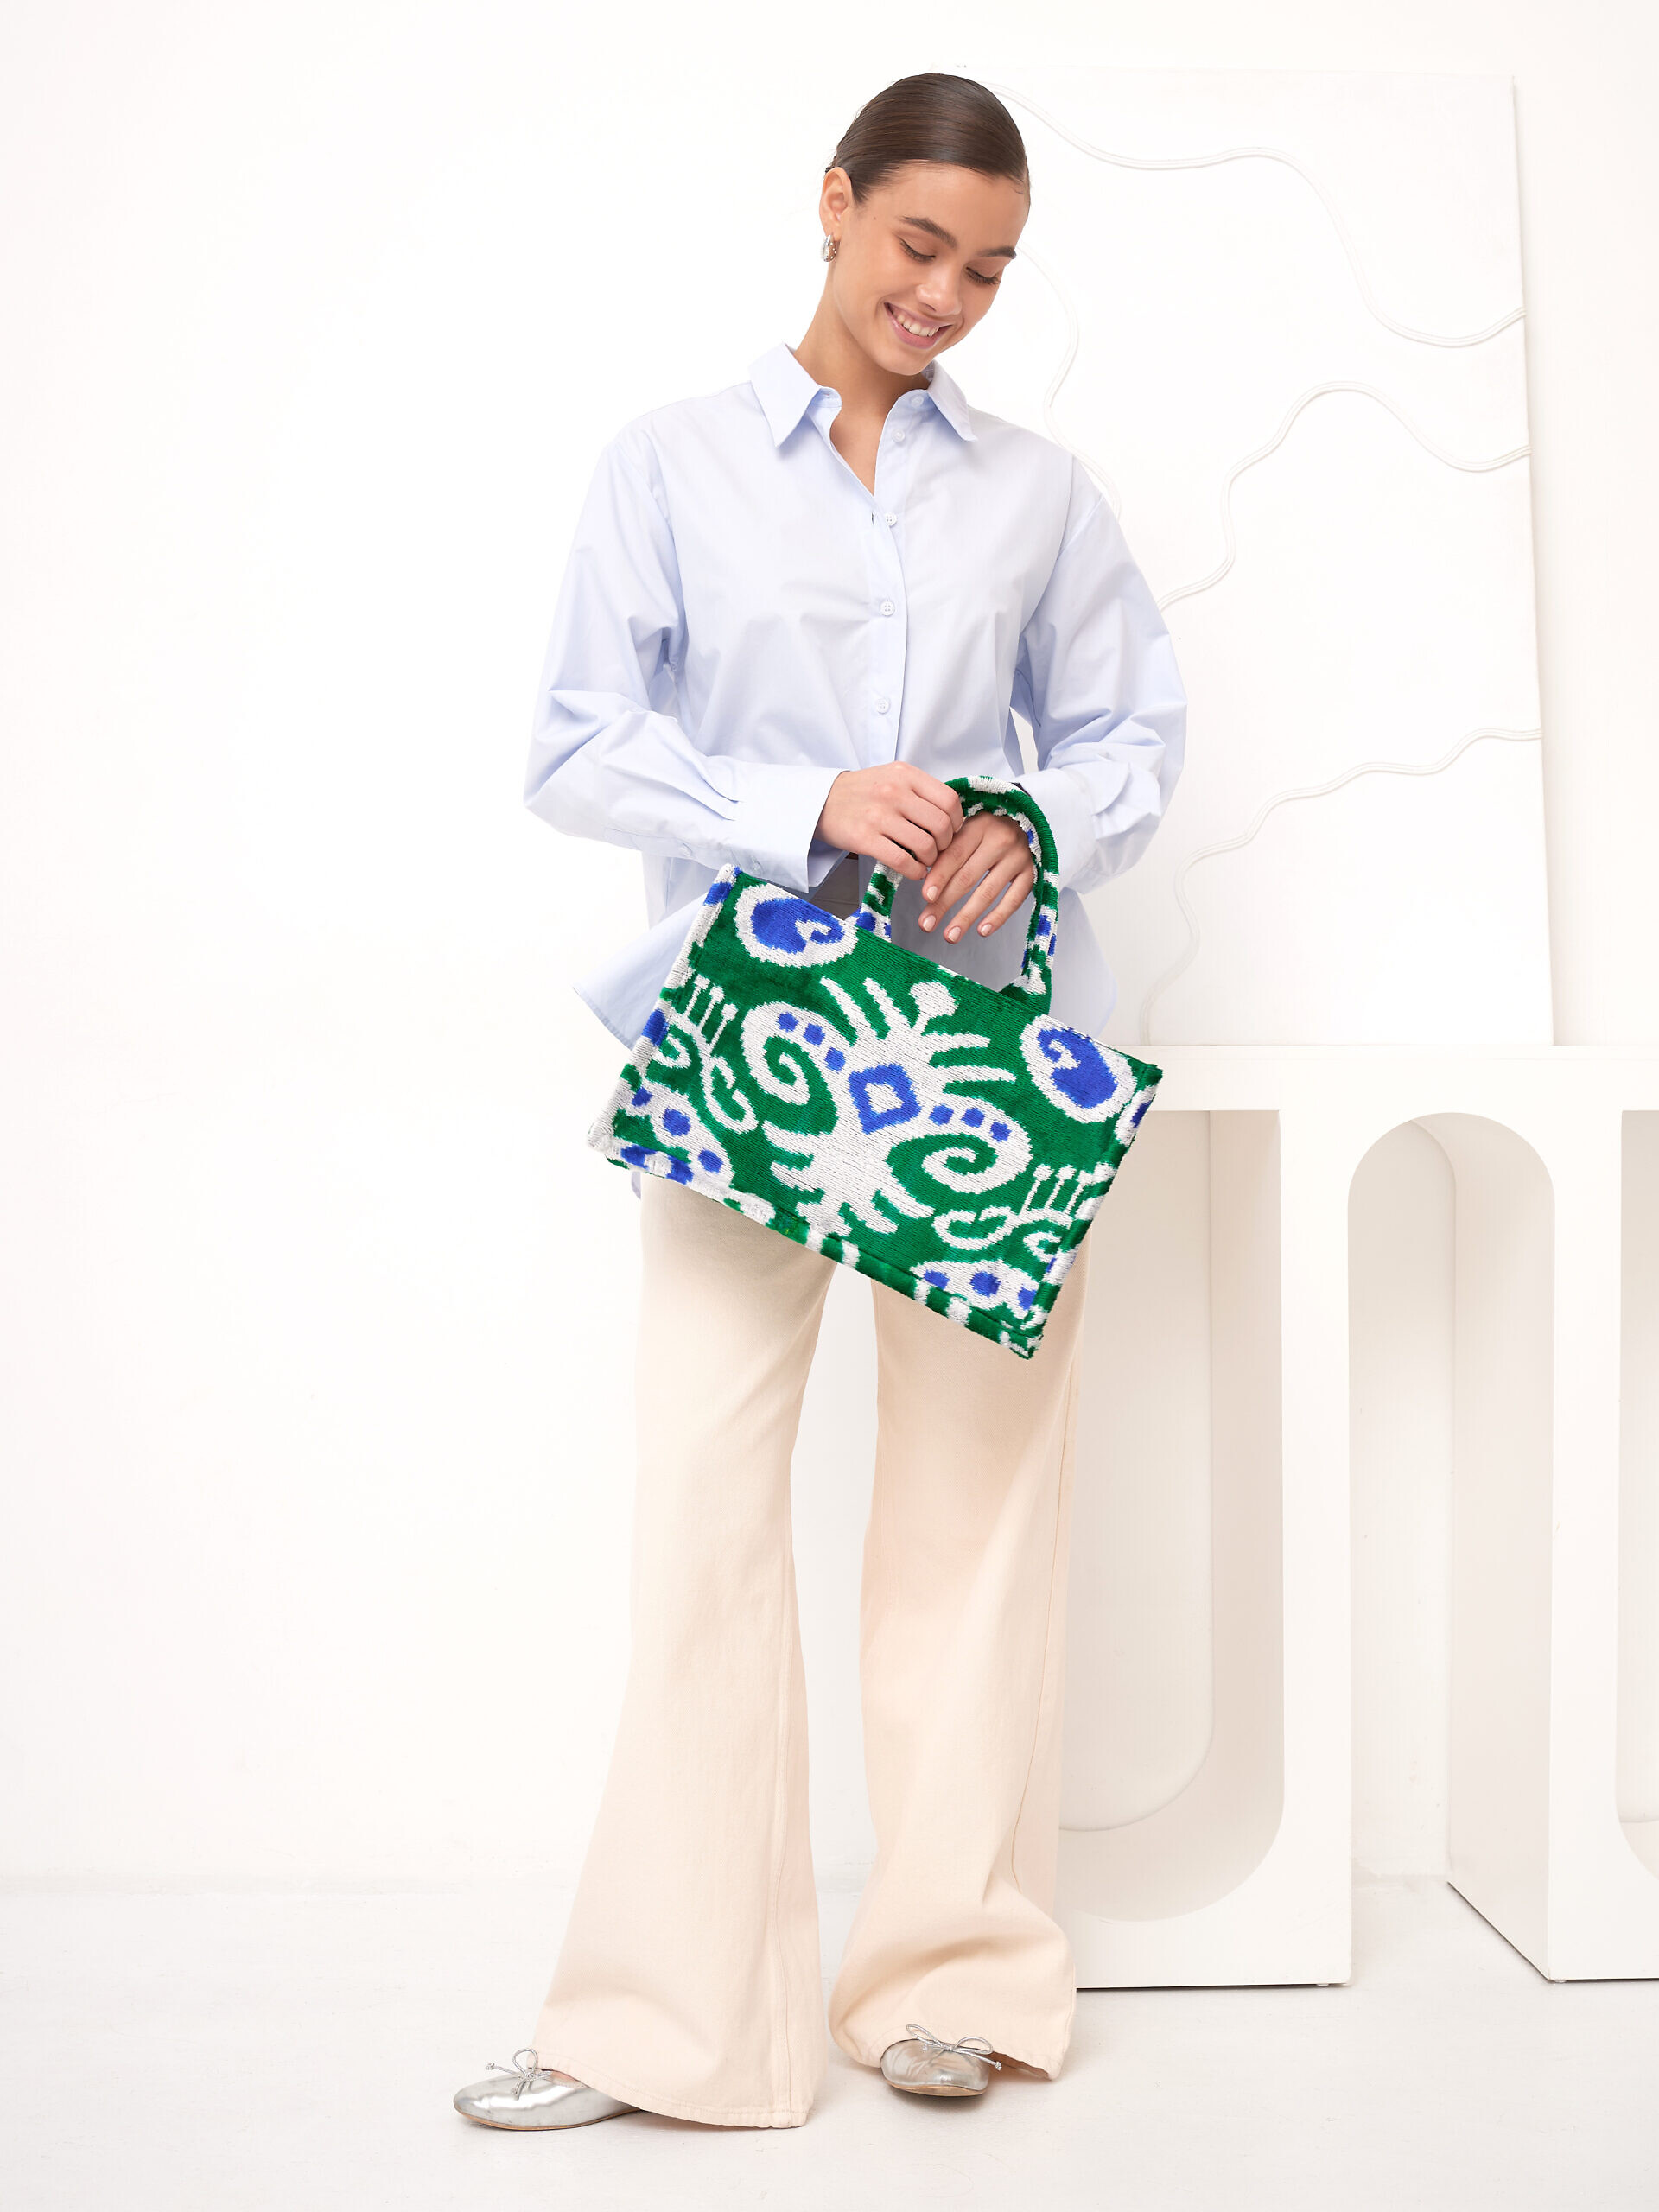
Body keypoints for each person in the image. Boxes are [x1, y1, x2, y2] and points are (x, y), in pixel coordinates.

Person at [454, 70, 1186, 2134]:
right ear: (838, 203)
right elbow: (578, 742)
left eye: (989, 270)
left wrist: (1031, 823)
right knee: (703, 1501)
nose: (942, 295)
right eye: (918, 244)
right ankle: (673, 2019)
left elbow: (1133, 731)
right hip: (750, 1039)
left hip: (975, 1059)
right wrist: (804, 806)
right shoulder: (671, 465)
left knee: (979, 1514)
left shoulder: (1041, 496)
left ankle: (951, 1978)